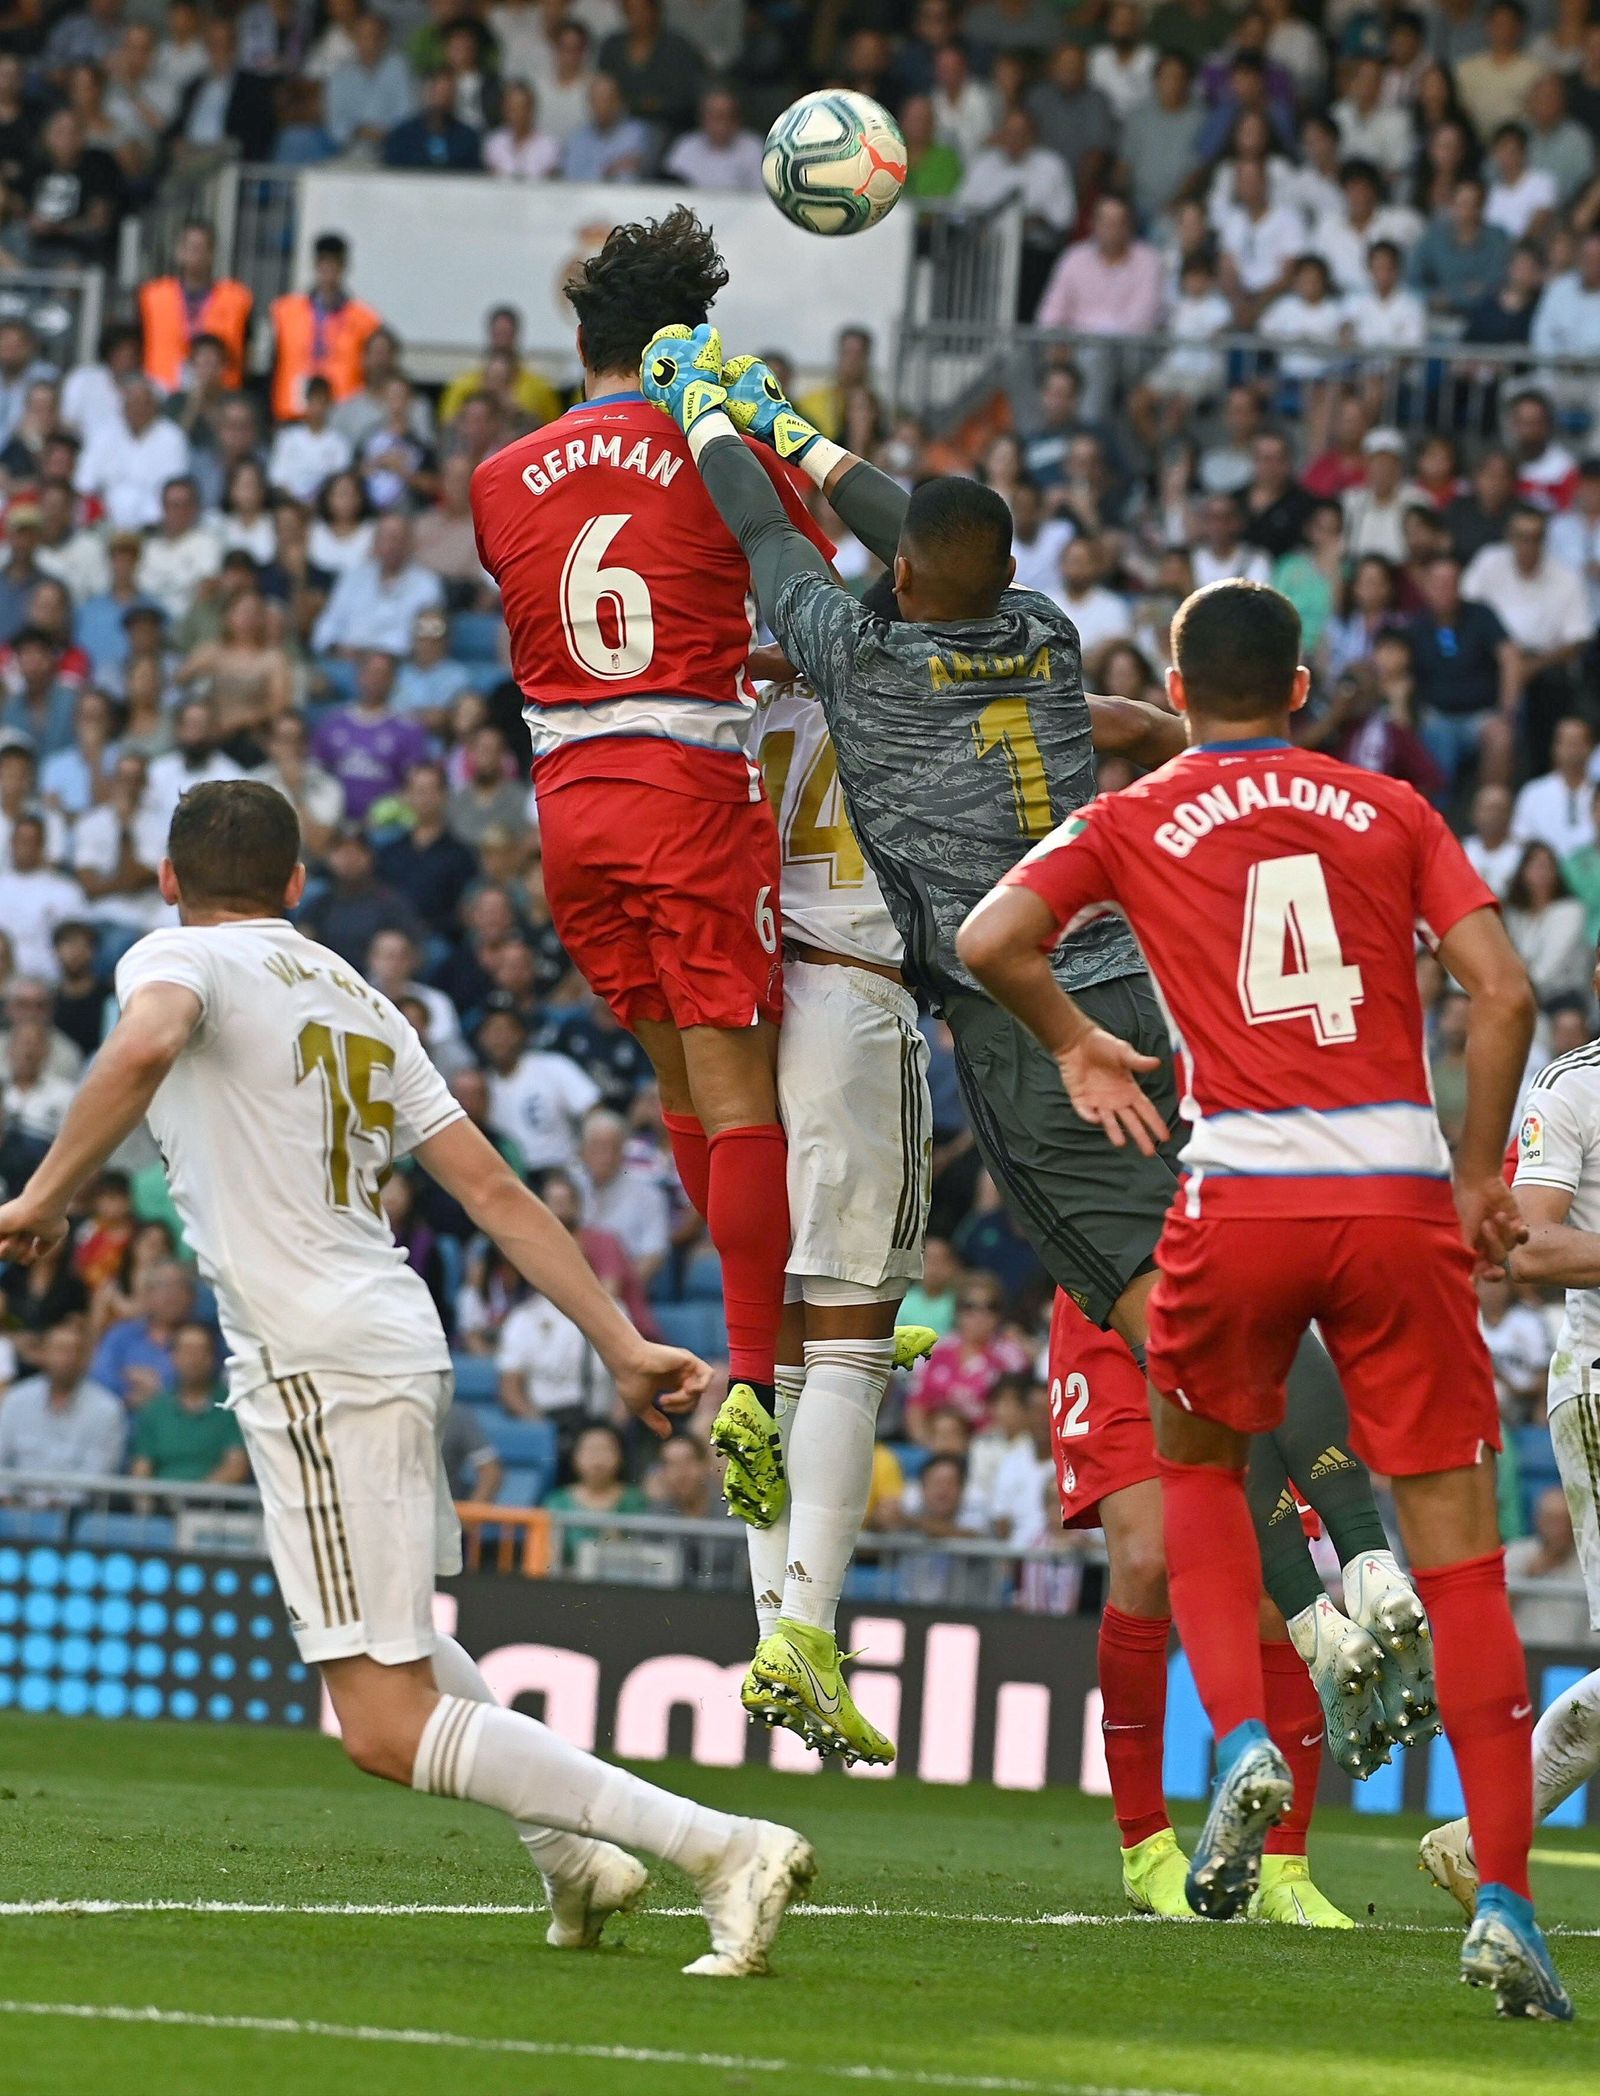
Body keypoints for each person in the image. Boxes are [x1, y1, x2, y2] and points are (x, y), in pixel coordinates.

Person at [648, 329, 1415, 1924]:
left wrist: (704, 409)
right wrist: (792, 415)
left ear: (906, 583)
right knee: (1232, 1291)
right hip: (1151, 986)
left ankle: (1327, 1608)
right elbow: (902, 521)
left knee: (1175, 1322)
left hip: (1035, 1034)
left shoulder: (862, 658)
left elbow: (775, 535)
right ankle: (1363, 1552)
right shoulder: (1050, 635)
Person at [0, 779, 812, 1973]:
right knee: (407, 1649)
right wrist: (619, 1342)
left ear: (169, 880)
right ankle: (574, 1854)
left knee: (381, 1724)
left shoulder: (171, 958)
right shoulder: (356, 993)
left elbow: (149, 1036)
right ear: (293, 886)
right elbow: (491, 1191)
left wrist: (41, 1195)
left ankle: (721, 1844)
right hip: (388, 1333)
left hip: (317, 1357)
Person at [957, 577, 1568, 2016]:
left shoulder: (1136, 812)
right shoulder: (1391, 807)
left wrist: (1078, 1047)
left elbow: (991, 939)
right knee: (1462, 1561)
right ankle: (1504, 1899)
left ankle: (1235, 1735)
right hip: (1395, 1194)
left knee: (1201, 1474)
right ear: (1304, 687)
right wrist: (1481, 1171)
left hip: (1231, 1196)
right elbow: (1507, 994)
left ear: (1179, 680)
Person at [470, 209, 837, 1542]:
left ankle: (763, 1343)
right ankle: (762, 1371)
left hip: (567, 799)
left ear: (580, 340)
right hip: (689, 786)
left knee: (680, 1079)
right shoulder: (717, 448)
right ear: (695, 342)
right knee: (741, 1092)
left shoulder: (500, 473)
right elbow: (810, 598)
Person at [1425, 956, 1600, 1907]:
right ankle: (1488, 1835)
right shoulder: (1572, 1087)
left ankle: (1479, 1836)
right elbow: (1526, 1245)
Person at [0, 1317, 124, 1505]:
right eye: (61, 1350)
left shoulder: (106, 1408)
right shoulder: (17, 1399)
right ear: (44, 1354)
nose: (68, 1359)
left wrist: (62, 1502)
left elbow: (99, 1472)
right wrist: (7, 1496)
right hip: (15, 1511)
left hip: (77, 1517)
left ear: (87, 1358)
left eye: (76, 1351)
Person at [270, 232, 382, 428]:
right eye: (324, 263)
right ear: (315, 265)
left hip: (341, 413)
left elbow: (372, 372)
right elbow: (275, 363)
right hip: (293, 411)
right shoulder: (286, 311)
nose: (329, 270)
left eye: (335, 264)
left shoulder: (364, 318)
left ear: (344, 267)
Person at [139, 219, 251, 395]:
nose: (194, 253)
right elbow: (141, 341)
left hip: (219, 394)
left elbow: (247, 349)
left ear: (212, 253)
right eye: (189, 246)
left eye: (200, 248)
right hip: (163, 392)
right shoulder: (152, 295)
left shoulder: (236, 298)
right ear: (178, 251)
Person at [129, 1319, 248, 1484]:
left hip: (215, 1505)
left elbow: (236, 1466)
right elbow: (141, 1467)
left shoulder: (233, 1407)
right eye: (186, 1351)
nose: (193, 1359)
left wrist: (194, 1501)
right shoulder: (155, 1408)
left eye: (200, 1351)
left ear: (213, 1358)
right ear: (173, 1356)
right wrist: (147, 1505)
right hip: (162, 1503)